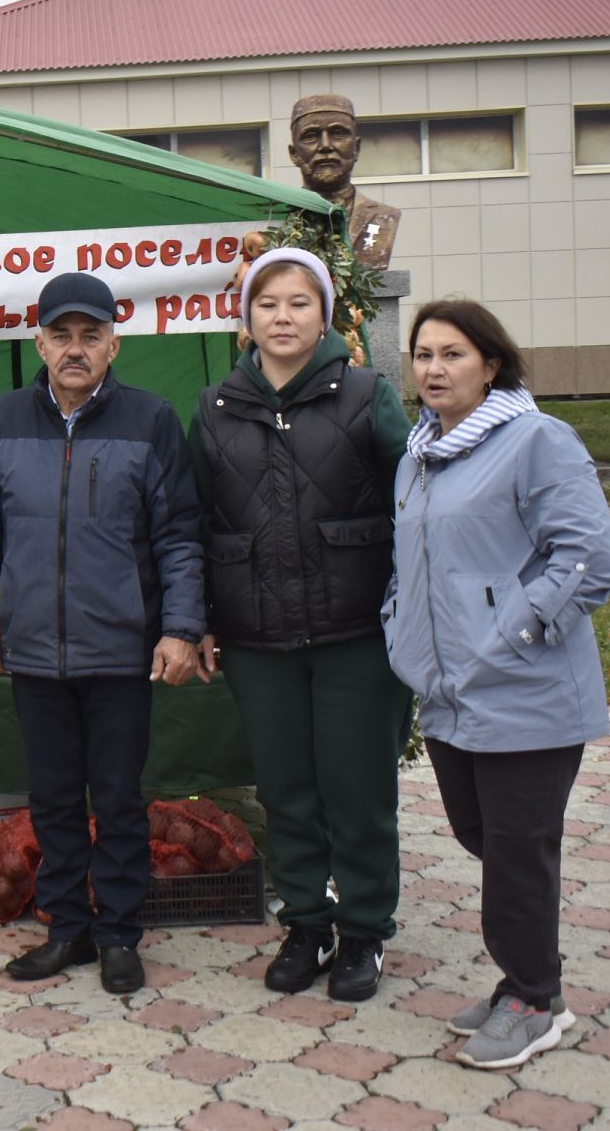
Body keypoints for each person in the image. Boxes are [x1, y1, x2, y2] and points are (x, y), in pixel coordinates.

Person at [0, 271, 204, 994]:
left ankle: (121, 934)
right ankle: (68, 932)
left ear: (114, 344)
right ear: (39, 341)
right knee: (54, 798)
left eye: (91, 335)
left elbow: (180, 536)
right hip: (34, 652)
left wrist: (181, 627)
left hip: (123, 651)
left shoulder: (150, 420)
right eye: (61, 334)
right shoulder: (0, 421)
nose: (75, 348)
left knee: (118, 799)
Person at [383, 300, 610, 1071]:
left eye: (454, 354)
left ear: (491, 363)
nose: (434, 369)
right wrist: (398, 627)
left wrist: (512, 634)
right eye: (423, 354)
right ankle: (530, 982)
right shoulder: (418, 454)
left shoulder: (537, 441)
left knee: (518, 849)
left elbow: (588, 557)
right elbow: (408, 565)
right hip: (450, 692)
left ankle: (532, 995)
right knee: (481, 835)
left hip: (527, 692)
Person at [189, 248, 413, 1002]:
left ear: (326, 314)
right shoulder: (214, 407)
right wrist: (204, 619)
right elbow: (196, 521)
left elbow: (414, 507)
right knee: (285, 790)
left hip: (358, 635)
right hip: (258, 640)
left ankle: (364, 932)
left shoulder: (365, 394)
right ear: (245, 318)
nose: (282, 317)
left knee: (358, 789)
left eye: (298, 303)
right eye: (267, 303)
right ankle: (308, 922)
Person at [288, 94, 402, 271]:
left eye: (338, 134)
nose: (325, 145)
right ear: (294, 154)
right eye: (311, 136)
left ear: (356, 148)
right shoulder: (278, 220)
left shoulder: (383, 217)